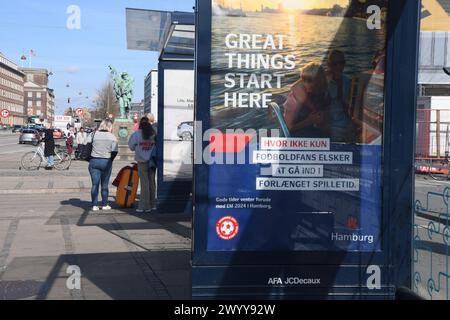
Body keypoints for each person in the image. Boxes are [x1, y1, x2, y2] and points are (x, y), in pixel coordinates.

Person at [283, 62, 330, 138]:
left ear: (319, 81)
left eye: (310, 80)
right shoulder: (293, 99)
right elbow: (285, 129)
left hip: (317, 137)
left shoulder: (322, 94)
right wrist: (308, 121)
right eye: (304, 80)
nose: (306, 84)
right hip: (296, 139)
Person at [87, 119, 119, 212]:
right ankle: (104, 204)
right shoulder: (112, 137)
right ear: (109, 126)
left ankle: (94, 205)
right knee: (104, 185)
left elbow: (86, 144)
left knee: (94, 184)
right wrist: (110, 160)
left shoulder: (93, 134)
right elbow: (115, 151)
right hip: (106, 161)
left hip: (94, 161)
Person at [326, 50, 356, 143]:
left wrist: (351, 121)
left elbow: (347, 105)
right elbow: (321, 104)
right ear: (329, 65)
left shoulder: (347, 81)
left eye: (341, 63)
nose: (338, 66)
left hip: (344, 121)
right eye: (335, 64)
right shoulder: (323, 81)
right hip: (328, 123)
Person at [128, 119, 157, 213]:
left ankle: (144, 206)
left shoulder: (136, 134)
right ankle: (153, 204)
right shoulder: (154, 133)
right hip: (152, 161)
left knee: (144, 184)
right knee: (152, 182)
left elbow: (131, 147)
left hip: (141, 161)